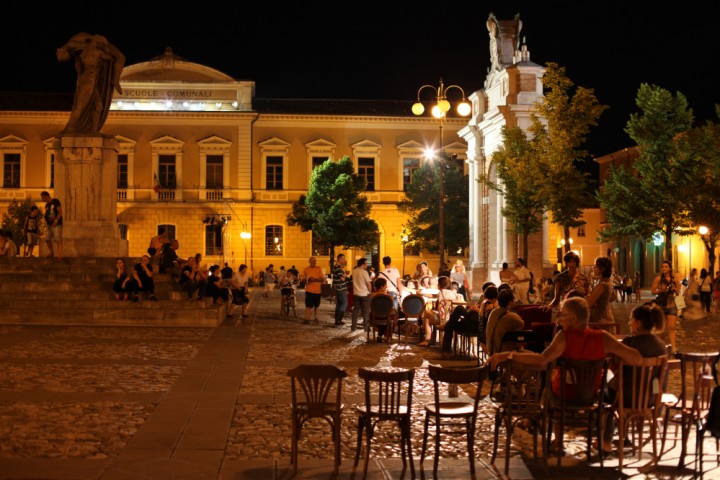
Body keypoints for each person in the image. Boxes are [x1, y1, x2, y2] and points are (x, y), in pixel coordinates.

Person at [489, 296, 644, 453]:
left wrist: (508, 355)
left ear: (573, 318)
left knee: (549, 388)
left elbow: (542, 360)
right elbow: (636, 358)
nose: (559, 319)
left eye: (562, 314)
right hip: (591, 398)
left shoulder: (564, 337)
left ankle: (554, 437)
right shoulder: (603, 337)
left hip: (562, 398)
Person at [602, 302, 668, 453]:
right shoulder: (661, 346)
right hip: (651, 398)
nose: (629, 323)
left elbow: (615, 366)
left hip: (626, 397)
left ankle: (606, 440)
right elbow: (660, 379)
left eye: (631, 320)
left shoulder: (629, 343)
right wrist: (656, 394)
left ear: (638, 323)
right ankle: (625, 437)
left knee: (605, 395)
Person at [56, 32, 125, 136]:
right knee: (81, 106)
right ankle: (69, 128)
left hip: (91, 77)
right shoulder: (93, 51)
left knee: (98, 106)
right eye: (103, 44)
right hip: (89, 77)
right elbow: (111, 57)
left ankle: (93, 131)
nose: (104, 46)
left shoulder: (83, 47)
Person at [652, 260, 681, 353]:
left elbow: (678, 293)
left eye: (666, 266)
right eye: (662, 266)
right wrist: (661, 290)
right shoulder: (658, 279)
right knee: (662, 328)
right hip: (661, 305)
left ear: (670, 268)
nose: (664, 268)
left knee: (672, 327)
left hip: (671, 305)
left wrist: (676, 290)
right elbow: (653, 291)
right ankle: (661, 346)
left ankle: (673, 347)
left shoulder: (675, 279)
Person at [484, 289, 525, 356]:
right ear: (510, 302)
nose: (515, 301)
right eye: (513, 299)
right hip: (503, 354)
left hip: (491, 352)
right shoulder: (511, 316)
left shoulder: (493, 312)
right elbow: (522, 324)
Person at [586, 256, 614, 324]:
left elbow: (588, 303)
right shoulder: (608, 282)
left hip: (601, 320)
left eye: (596, 266)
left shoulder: (602, 285)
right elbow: (613, 297)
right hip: (607, 317)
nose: (593, 268)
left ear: (602, 269)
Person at [371, 276, 398, 343]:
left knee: (385, 316)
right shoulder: (388, 297)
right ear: (381, 286)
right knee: (393, 316)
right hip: (385, 317)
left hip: (373, 317)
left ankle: (380, 335)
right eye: (385, 285)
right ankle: (387, 336)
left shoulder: (372, 295)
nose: (386, 286)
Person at [351, 258, 372, 332]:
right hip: (364, 294)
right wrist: (370, 292)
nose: (367, 265)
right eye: (366, 264)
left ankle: (353, 327)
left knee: (356, 310)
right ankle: (366, 328)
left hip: (356, 293)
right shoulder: (364, 272)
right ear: (363, 264)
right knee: (366, 311)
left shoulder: (354, 271)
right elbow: (368, 284)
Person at [41, 191, 62, 259]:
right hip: (49, 225)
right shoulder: (47, 205)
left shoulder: (55, 201)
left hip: (56, 224)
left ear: (46, 196)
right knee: (47, 238)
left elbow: (60, 212)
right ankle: (51, 252)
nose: (42, 199)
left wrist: (56, 220)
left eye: (42, 198)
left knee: (57, 239)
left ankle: (59, 255)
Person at [303, 257, 323, 324]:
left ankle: (316, 317)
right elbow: (303, 280)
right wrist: (308, 280)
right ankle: (307, 318)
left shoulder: (319, 268)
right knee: (308, 305)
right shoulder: (306, 269)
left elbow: (322, 279)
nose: (314, 262)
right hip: (309, 290)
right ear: (309, 261)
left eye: (315, 261)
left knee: (316, 305)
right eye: (312, 261)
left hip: (317, 290)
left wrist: (314, 280)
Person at [332, 253, 348, 326]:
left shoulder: (335, 267)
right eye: (343, 259)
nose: (345, 260)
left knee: (338, 304)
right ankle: (339, 319)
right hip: (341, 288)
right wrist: (345, 275)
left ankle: (337, 320)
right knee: (344, 304)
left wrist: (344, 275)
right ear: (340, 259)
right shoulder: (339, 268)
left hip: (337, 288)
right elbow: (342, 278)